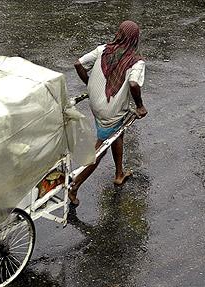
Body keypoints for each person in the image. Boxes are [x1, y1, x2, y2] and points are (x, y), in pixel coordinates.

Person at [69, 20, 148, 207]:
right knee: (101, 148)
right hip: (110, 111)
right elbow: (134, 84)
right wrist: (140, 106)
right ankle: (75, 186)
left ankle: (119, 174)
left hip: (96, 103)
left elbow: (78, 63)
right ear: (135, 39)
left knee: (117, 135)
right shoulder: (136, 62)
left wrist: (90, 84)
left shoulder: (103, 49)